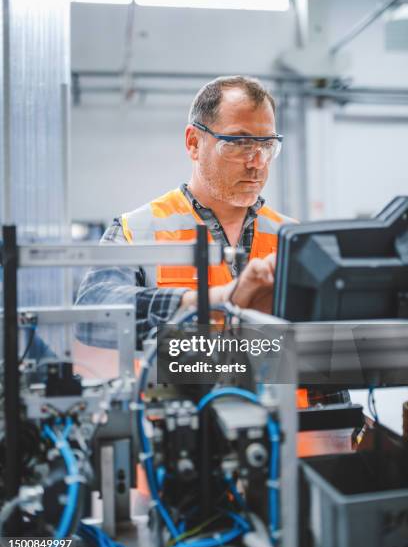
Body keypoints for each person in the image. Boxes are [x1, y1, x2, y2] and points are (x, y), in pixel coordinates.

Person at [75, 75, 347, 407]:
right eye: (239, 142)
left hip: (288, 440)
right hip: (177, 438)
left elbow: (326, 359)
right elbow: (92, 313)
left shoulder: (294, 239)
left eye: (266, 144)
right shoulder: (138, 229)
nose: (257, 162)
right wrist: (217, 301)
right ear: (193, 142)